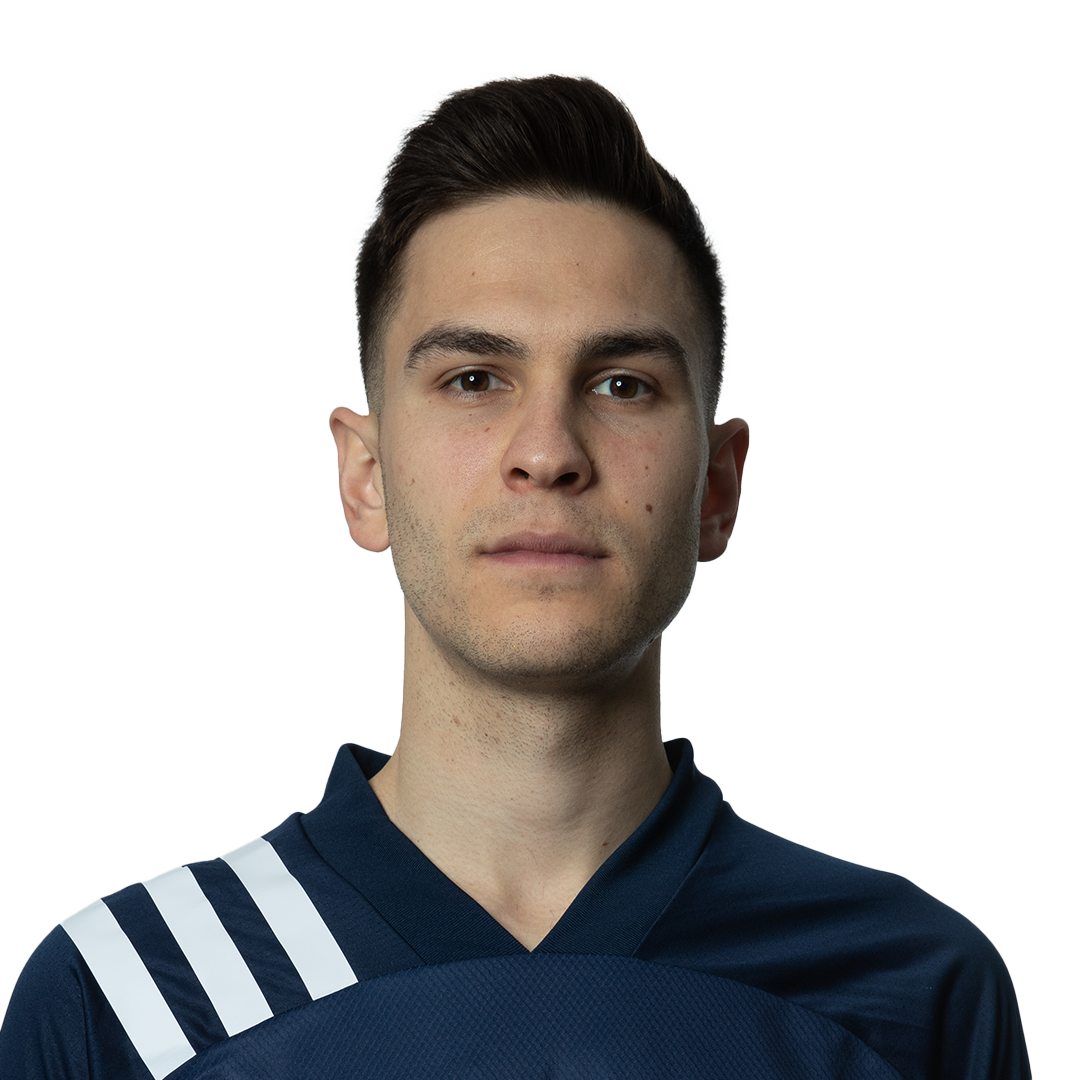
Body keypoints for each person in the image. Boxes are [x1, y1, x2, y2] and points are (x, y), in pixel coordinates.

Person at [0, 71, 1030, 1080]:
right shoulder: (129, 1004)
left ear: (717, 487)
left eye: (622, 384)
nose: (546, 451)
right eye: (474, 379)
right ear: (366, 477)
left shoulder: (909, 996)